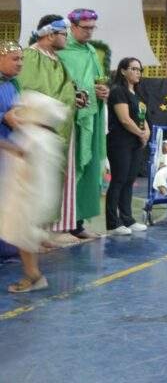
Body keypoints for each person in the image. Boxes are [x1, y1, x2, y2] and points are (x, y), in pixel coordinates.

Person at [17, 15, 90, 244]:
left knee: (51, 183)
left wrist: (76, 96)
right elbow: (31, 91)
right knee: (36, 183)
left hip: (61, 128)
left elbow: (63, 89)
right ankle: (30, 235)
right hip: (40, 130)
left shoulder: (56, 59)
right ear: (49, 34)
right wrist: (65, 100)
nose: (67, 38)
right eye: (64, 34)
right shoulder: (31, 56)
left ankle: (46, 231)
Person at [0, 91, 67, 293]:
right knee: (25, 239)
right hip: (35, 196)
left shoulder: (34, 136)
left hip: (27, 197)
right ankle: (33, 274)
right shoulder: (47, 136)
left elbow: (21, 153)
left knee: (24, 239)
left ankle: (34, 276)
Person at [60, 9, 107, 238]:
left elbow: (95, 81)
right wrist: (88, 90)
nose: (89, 32)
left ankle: (77, 223)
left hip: (90, 116)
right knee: (69, 169)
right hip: (69, 120)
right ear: (72, 26)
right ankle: (62, 224)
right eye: (85, 28)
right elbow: (61, 85)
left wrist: (102, 92)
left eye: (92, 28)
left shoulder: (91, 51)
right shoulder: (62, 51)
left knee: (87, 169)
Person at [105, 57, 149, 236]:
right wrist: (140, 134)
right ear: (123, 71)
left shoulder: (136, 93)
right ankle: (113, 223)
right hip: (120, 142)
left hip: (135, 142)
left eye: (139, 69)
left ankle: (128, 219)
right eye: (133, 69)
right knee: (119, 180)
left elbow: (141, 116)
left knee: (129, 180)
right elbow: (124, 119)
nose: (138, 72)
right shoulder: (118, 91)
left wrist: (146, 131)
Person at [0, 41, 23, 259]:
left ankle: (8, 246)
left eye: (21, 59)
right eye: (15, 59)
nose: (20, 63)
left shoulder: (12, 84)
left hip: (8, 150)